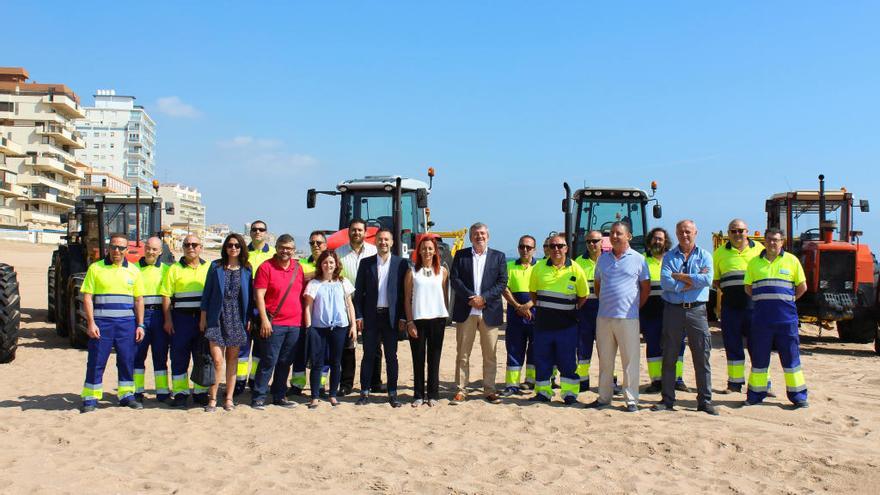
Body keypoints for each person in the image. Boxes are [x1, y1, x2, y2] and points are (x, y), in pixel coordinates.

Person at [653, 220, 717, 415]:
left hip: (697, 311)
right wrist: (689, 282)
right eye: (681, 232)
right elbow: (665, 281)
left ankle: (704, 401)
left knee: (701, 356)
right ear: (676, 233)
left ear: (696, 233)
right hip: (673, 310)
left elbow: (707, 279)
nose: (685, 235)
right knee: (670, 355)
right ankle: (667, 400)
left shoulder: (705, 255)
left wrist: (679, 277)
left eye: (688, 231)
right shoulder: (669, 256)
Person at [585, 222, 650, 412]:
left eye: (618, 233)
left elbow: (645, 289)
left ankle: (631, 400)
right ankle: (604, 398)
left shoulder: (639, 259)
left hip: (628, 318)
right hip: (604, 317)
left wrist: (634, 308)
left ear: (628, 236)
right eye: (612, 233)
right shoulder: (603, 259)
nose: (614, 236)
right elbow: (598, 286)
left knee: (629, 361)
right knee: (605, 361)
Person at [79, 233, 145, 412]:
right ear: (108, 247)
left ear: (126, 249)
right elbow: (87, 298)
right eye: (114, 246)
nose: (117, 250)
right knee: (96, 360)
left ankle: (126, 395)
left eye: (121, 247)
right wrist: (91, 323)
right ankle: (91, 398)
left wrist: (140, 325)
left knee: (126, 360)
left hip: (127, 324)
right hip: (102, 324)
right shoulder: (96, 268)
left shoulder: (134, 270)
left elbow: (139, 300)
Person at [743, 228, 808, 408]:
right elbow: (748, 288)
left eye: (776, 240)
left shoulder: (792, 261)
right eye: (769, 239)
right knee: (759, 360)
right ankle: (755, 395)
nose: (772, 243)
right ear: (765, 241)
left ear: (782, 242)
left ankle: (798, 397)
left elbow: (802, 287)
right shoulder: (754, 263)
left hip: (786, 321)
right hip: (761, 321)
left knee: (791, 360)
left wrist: (787, 300)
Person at [449, 222, 508, 404]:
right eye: (475, 234)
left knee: (490, 354)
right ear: (470, 237)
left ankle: (489, 390)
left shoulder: (498, 257)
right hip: (466, 310)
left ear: (488, 236)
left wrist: (483, 298)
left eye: (482, 233)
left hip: (489, 311)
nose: (479, 236)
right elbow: (455, 279)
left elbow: (502, 282)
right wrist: (471, 297)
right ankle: (461, 390)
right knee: (463, 354)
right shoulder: (460, 255)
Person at [528, 234, 588, 404]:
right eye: (552, 246)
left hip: (567, 326)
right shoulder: (538, 268)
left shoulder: (575, 269)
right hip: (543, 325)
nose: (556, 249)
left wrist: (568, 308)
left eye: (560, 246)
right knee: (542, 360)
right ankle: (543, 392)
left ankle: (569, 393)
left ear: (566, 248)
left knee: (567, 361)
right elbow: (533, 293)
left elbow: (583, 296)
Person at [354, 228, 409, 407]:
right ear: (375, 242)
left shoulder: (401, 264)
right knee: (368, 355)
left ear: (392, 243)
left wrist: (402, 317)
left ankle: (392, 393)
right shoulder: (366, 263)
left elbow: (404, 294)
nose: (383, 242)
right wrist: (359, 315)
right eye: (380, 239)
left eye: (386, 239)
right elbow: (359, 293)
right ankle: (364, 392)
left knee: (391, 356)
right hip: (371, 317)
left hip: (391, 318)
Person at [200, 233, 254, 412]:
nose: (233, 248)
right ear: (225, 247)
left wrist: (248, 319)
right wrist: (203, 318)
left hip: (237, 319)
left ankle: (229, 398)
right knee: (216, 360)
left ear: (241, 248)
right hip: (216, 318)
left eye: (237, 246)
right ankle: (213, 398)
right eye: (230, 245)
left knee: (232, 360)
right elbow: (207, 294)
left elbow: (249, 297)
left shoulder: (246, 269)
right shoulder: (216, 266)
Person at [252, 234, 305, 410]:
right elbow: (259, 295)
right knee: (269, 360)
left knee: (285, 362)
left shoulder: (298, 268)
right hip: (274, 323)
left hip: (295, 324)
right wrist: (264, 320)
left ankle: (279, 395)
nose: (285, 251)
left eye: (289, 248)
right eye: (282, 247)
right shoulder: (266, 267)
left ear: (294, 250)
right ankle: (259, 396)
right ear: (276, 247)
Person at [714, 219, 764, 393]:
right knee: (733, 346)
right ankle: (735, 384)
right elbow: (716, 281)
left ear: (747, 231)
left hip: (756, 309)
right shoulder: (719, 253)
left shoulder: (760, 250)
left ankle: (762, 385)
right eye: (733, 231)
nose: (737, 234)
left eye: (740, 231)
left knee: (758, 346)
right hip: (731, 308)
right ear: (728, 234)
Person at [161, 234, 211, 408]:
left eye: (194, 244)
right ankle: (180, 393)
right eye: (187, 244)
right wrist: (168, 320)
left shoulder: (209, 268)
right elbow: (166, 296)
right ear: (183, 247)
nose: (191, 247)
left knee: (202, 357)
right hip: (181, 319)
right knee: (179, 357)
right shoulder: (173, 269)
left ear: (200, 247)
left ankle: (200, 393)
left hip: (202, 319)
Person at [303, 250, 357, 408]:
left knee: (336, 362)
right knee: (317, 363)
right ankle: (314, 396)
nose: (328, 265)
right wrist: (309, 328)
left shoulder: (343, 282)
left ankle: (333, 394)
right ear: (321, 264)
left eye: (331, 262)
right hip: (319, 328)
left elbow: (349, 305)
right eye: (325, 262)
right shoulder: (314, 284)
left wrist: (353, 324)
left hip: (340, 327)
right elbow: (308, 307)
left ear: (336, 265)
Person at [336, 218, 382, 396]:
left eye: (360, 230)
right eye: (353, 230)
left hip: (370, 303)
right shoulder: (339, 253)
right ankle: (346, 384)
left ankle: (375, 382)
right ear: (348, 232)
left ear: (365, 232)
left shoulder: (373, 251)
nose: (356, 233)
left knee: (374, 345)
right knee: (348, 345)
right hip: (347, 302)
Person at [404, 236, 450, 407]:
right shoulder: (412, 272)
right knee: (418, 358)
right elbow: (407, 298)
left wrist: (445, 315)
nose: (427, 251)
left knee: (434, 358)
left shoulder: (443, 272)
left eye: (430, 248)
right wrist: (409, 322)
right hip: (418, 320)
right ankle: (418, 394)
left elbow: (444, 295)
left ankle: (433, 395)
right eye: (423, 248)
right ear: (418, 251)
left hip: (437, 319)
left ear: (435, 251)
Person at [641, 228, 688, 393]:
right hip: (649, 311)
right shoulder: (641, 261)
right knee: (653, 345)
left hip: (673, 309)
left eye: (660, 239)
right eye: (654, 239)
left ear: (665, 241)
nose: (657, 242)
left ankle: (677, 379)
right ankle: (657, 381)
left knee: (677, 344)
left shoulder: (673, 259)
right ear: (649, 241)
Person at [234, 220, 276, 395]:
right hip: (246, 306)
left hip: (266, 308)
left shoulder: (274, 253)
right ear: (250, 233)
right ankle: (239, 383)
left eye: (261, 229)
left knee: (260, 349)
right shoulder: (243, 253)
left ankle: (254, 380)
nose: (258, 232)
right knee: (242, 348)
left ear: (266, 232)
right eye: (254, 230)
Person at [290, 230, 331, 395]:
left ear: (325, 245)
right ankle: (297, 384)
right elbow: (298, 279)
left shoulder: (331, 263)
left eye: (319, 242)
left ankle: (320, 385)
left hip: (324, 318)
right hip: (302, 315)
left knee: (323, 355)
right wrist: (316, 274)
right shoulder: (301, 265)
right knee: (299, 353)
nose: (315, 245)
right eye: (312, 243)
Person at [133, 236, 171, 404]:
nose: (150, 251)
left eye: (155, 249)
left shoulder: (166, 270)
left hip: (160, 316)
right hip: (139, 317)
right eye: (148, 248)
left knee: (160, 355)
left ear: (160, 251)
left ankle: (162, 392)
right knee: (137, 356)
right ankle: (137, 391)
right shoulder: (133, 269)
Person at [501, 235, 537, 396]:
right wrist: (518, 306)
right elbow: (504, 287)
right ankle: (512, 385)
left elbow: (543, 289)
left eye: (529, 247)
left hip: (536, 315)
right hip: (515, 315)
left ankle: (530, 381)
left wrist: (529, 305)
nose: (525, 250)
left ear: (534, 250)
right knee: (514, 349)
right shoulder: (509, 266)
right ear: (518, 248)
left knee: (535, 350)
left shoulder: (541, 267)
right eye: (522, 246)